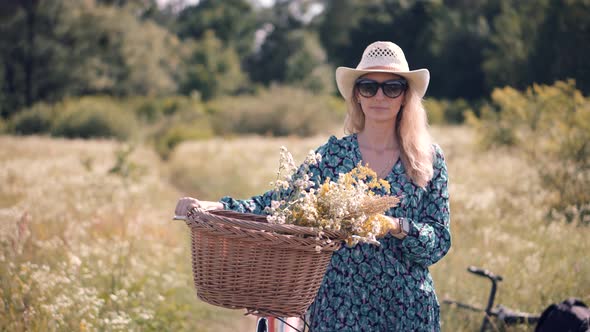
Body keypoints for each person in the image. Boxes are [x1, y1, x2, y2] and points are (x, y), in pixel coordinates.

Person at [175, 41, 451, 331]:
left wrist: (396, 225)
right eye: (369, 86)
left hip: (406, 309)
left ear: (405, 96)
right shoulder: (332, 156)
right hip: (340, 307)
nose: (379, 96)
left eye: (392, 87)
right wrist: (221, 206)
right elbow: (283, 202)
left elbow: (439, 241)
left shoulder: (428, 159)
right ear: (357, 95)